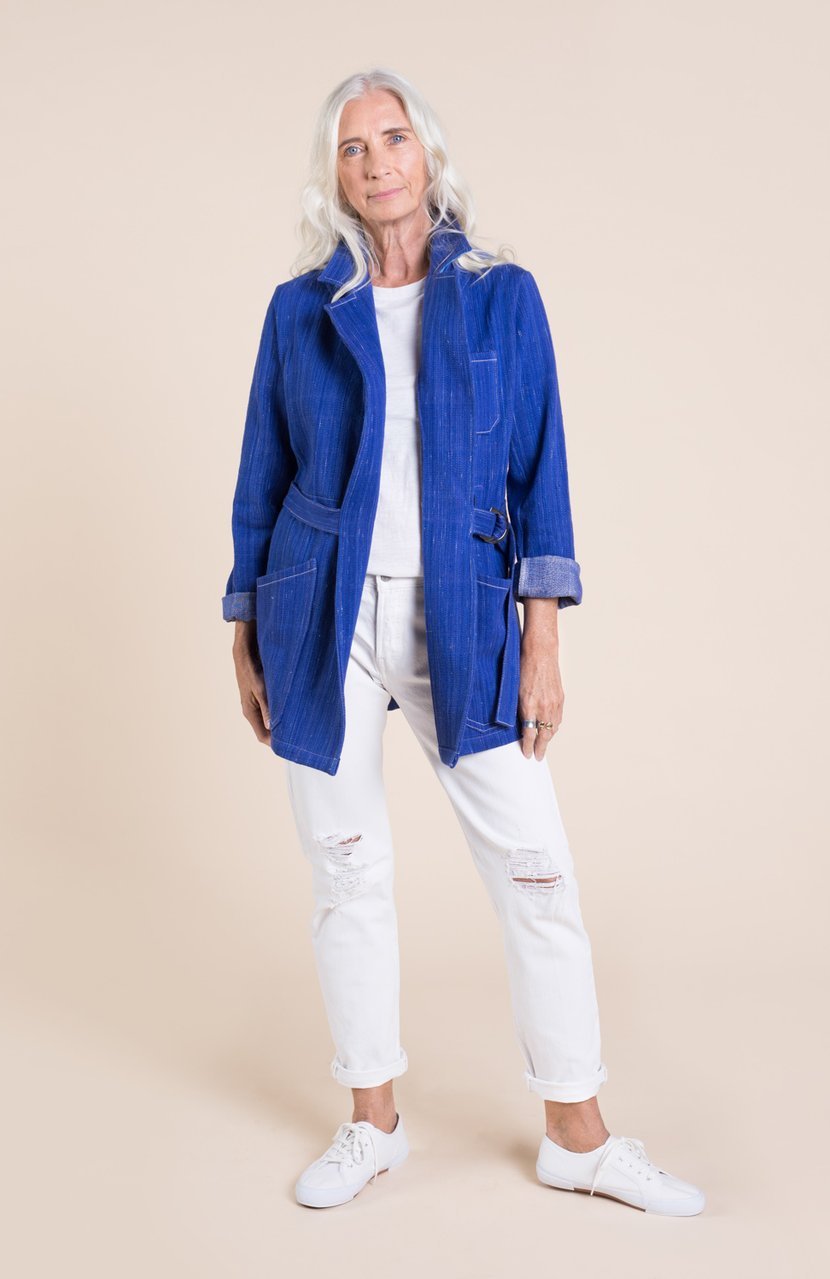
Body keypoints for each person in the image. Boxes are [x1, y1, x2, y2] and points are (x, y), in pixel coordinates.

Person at [221, 67, 705, 1216]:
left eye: (393, 137)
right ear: (334, 174)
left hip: (464, 614)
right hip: (319, 618)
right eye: (352, 147)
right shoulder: (300, 311)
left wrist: (542, 642)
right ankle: (372, 1122)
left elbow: (540, 478)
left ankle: (577, 1135)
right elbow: (261, 473)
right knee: (347, 875)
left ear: (427, 153)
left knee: (536, 873)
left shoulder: (500, 298)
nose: (376, 162)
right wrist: (243, 623)